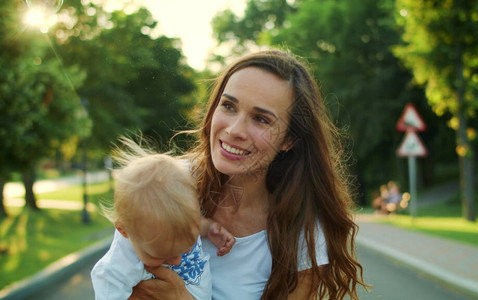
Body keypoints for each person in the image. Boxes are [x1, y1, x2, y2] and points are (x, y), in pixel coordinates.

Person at [131, 49, 367, 299]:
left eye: (261, 119)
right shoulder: (160, 185)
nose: (234, 130)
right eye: (229, 106)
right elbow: (117, 278)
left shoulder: (304, 232)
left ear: (289, 139)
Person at [91, 137, 235, 300]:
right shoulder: (120, 263)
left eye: (186, 247)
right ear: (124, 231)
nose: (176, 260)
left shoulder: (178, 226)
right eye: (161, 255)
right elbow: (107, 285)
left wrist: (209, 229)